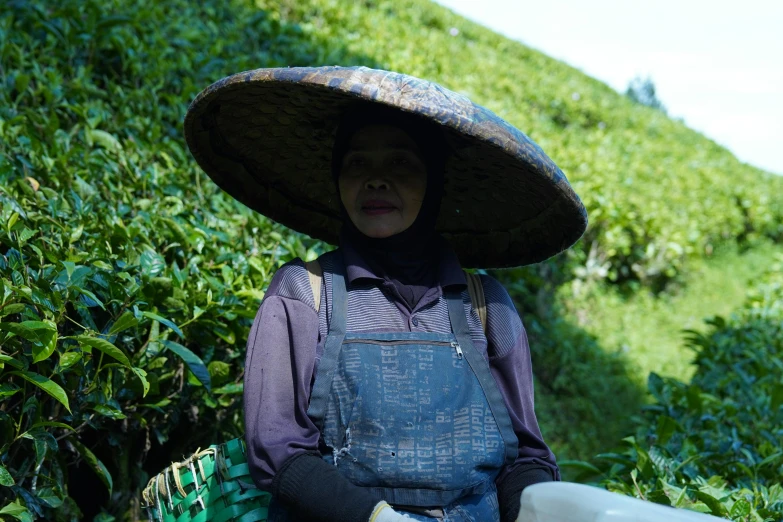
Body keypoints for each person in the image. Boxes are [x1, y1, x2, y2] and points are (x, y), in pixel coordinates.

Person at [183, 65, 588, 522]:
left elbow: (526, 456)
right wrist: (378, 518)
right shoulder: (303, 292)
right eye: (357, 163)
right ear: (338, 178)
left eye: (400, 162)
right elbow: (275, 447)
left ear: (433, 182)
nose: (376, 180)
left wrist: (528, 511)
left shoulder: (486, 305)